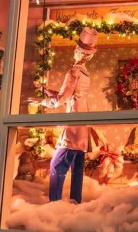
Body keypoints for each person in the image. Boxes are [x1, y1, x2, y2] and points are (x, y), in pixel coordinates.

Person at [41, 27, 99, 204]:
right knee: (77, 171)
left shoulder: (74, 71)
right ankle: (75, 203)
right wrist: (53, 93)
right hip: (83, 125)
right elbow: (72, 95)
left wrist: (41, 101)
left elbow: (61, 100)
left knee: (56, 166)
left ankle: (55, 204)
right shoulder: (85, 73)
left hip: (73, 125)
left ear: (78, 52)